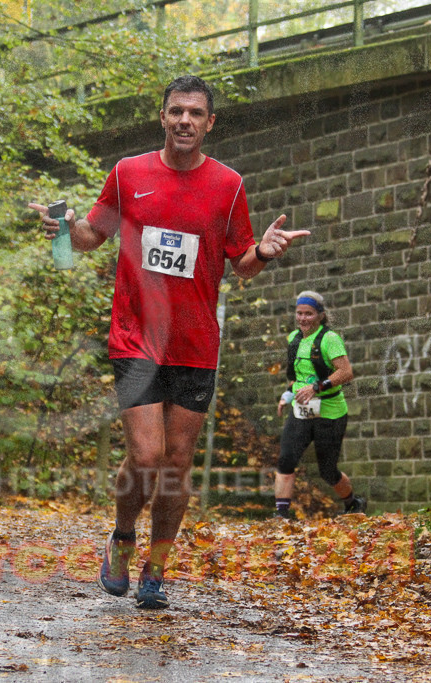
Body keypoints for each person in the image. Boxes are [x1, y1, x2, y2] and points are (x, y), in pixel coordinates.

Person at [28, 75, 310, 609]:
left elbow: (242, 264)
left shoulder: (228, 185)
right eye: (176, 111)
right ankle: (122, 538)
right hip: (136, 337)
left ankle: (155, 569)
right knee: (147, 454)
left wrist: (265, 252)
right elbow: (92, 236)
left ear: (210, 123)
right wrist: (65, 229)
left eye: (195, 113)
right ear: (162, 117)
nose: (185, 120)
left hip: (196, 344)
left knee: (177, 463)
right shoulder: (128, 173)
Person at [274, 290, 366, 519]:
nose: (303, 318)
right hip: (301, 411)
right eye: (299, 313)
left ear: (320, 315)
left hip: (330, 412)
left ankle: (353, 503)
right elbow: (297, 376)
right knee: (286, 460)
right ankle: (281, 515)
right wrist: (287, 395)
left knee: (327, 470)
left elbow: (346, 372)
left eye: (309, 314)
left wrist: (316, 388)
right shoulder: (294, 339)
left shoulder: (329, 339)